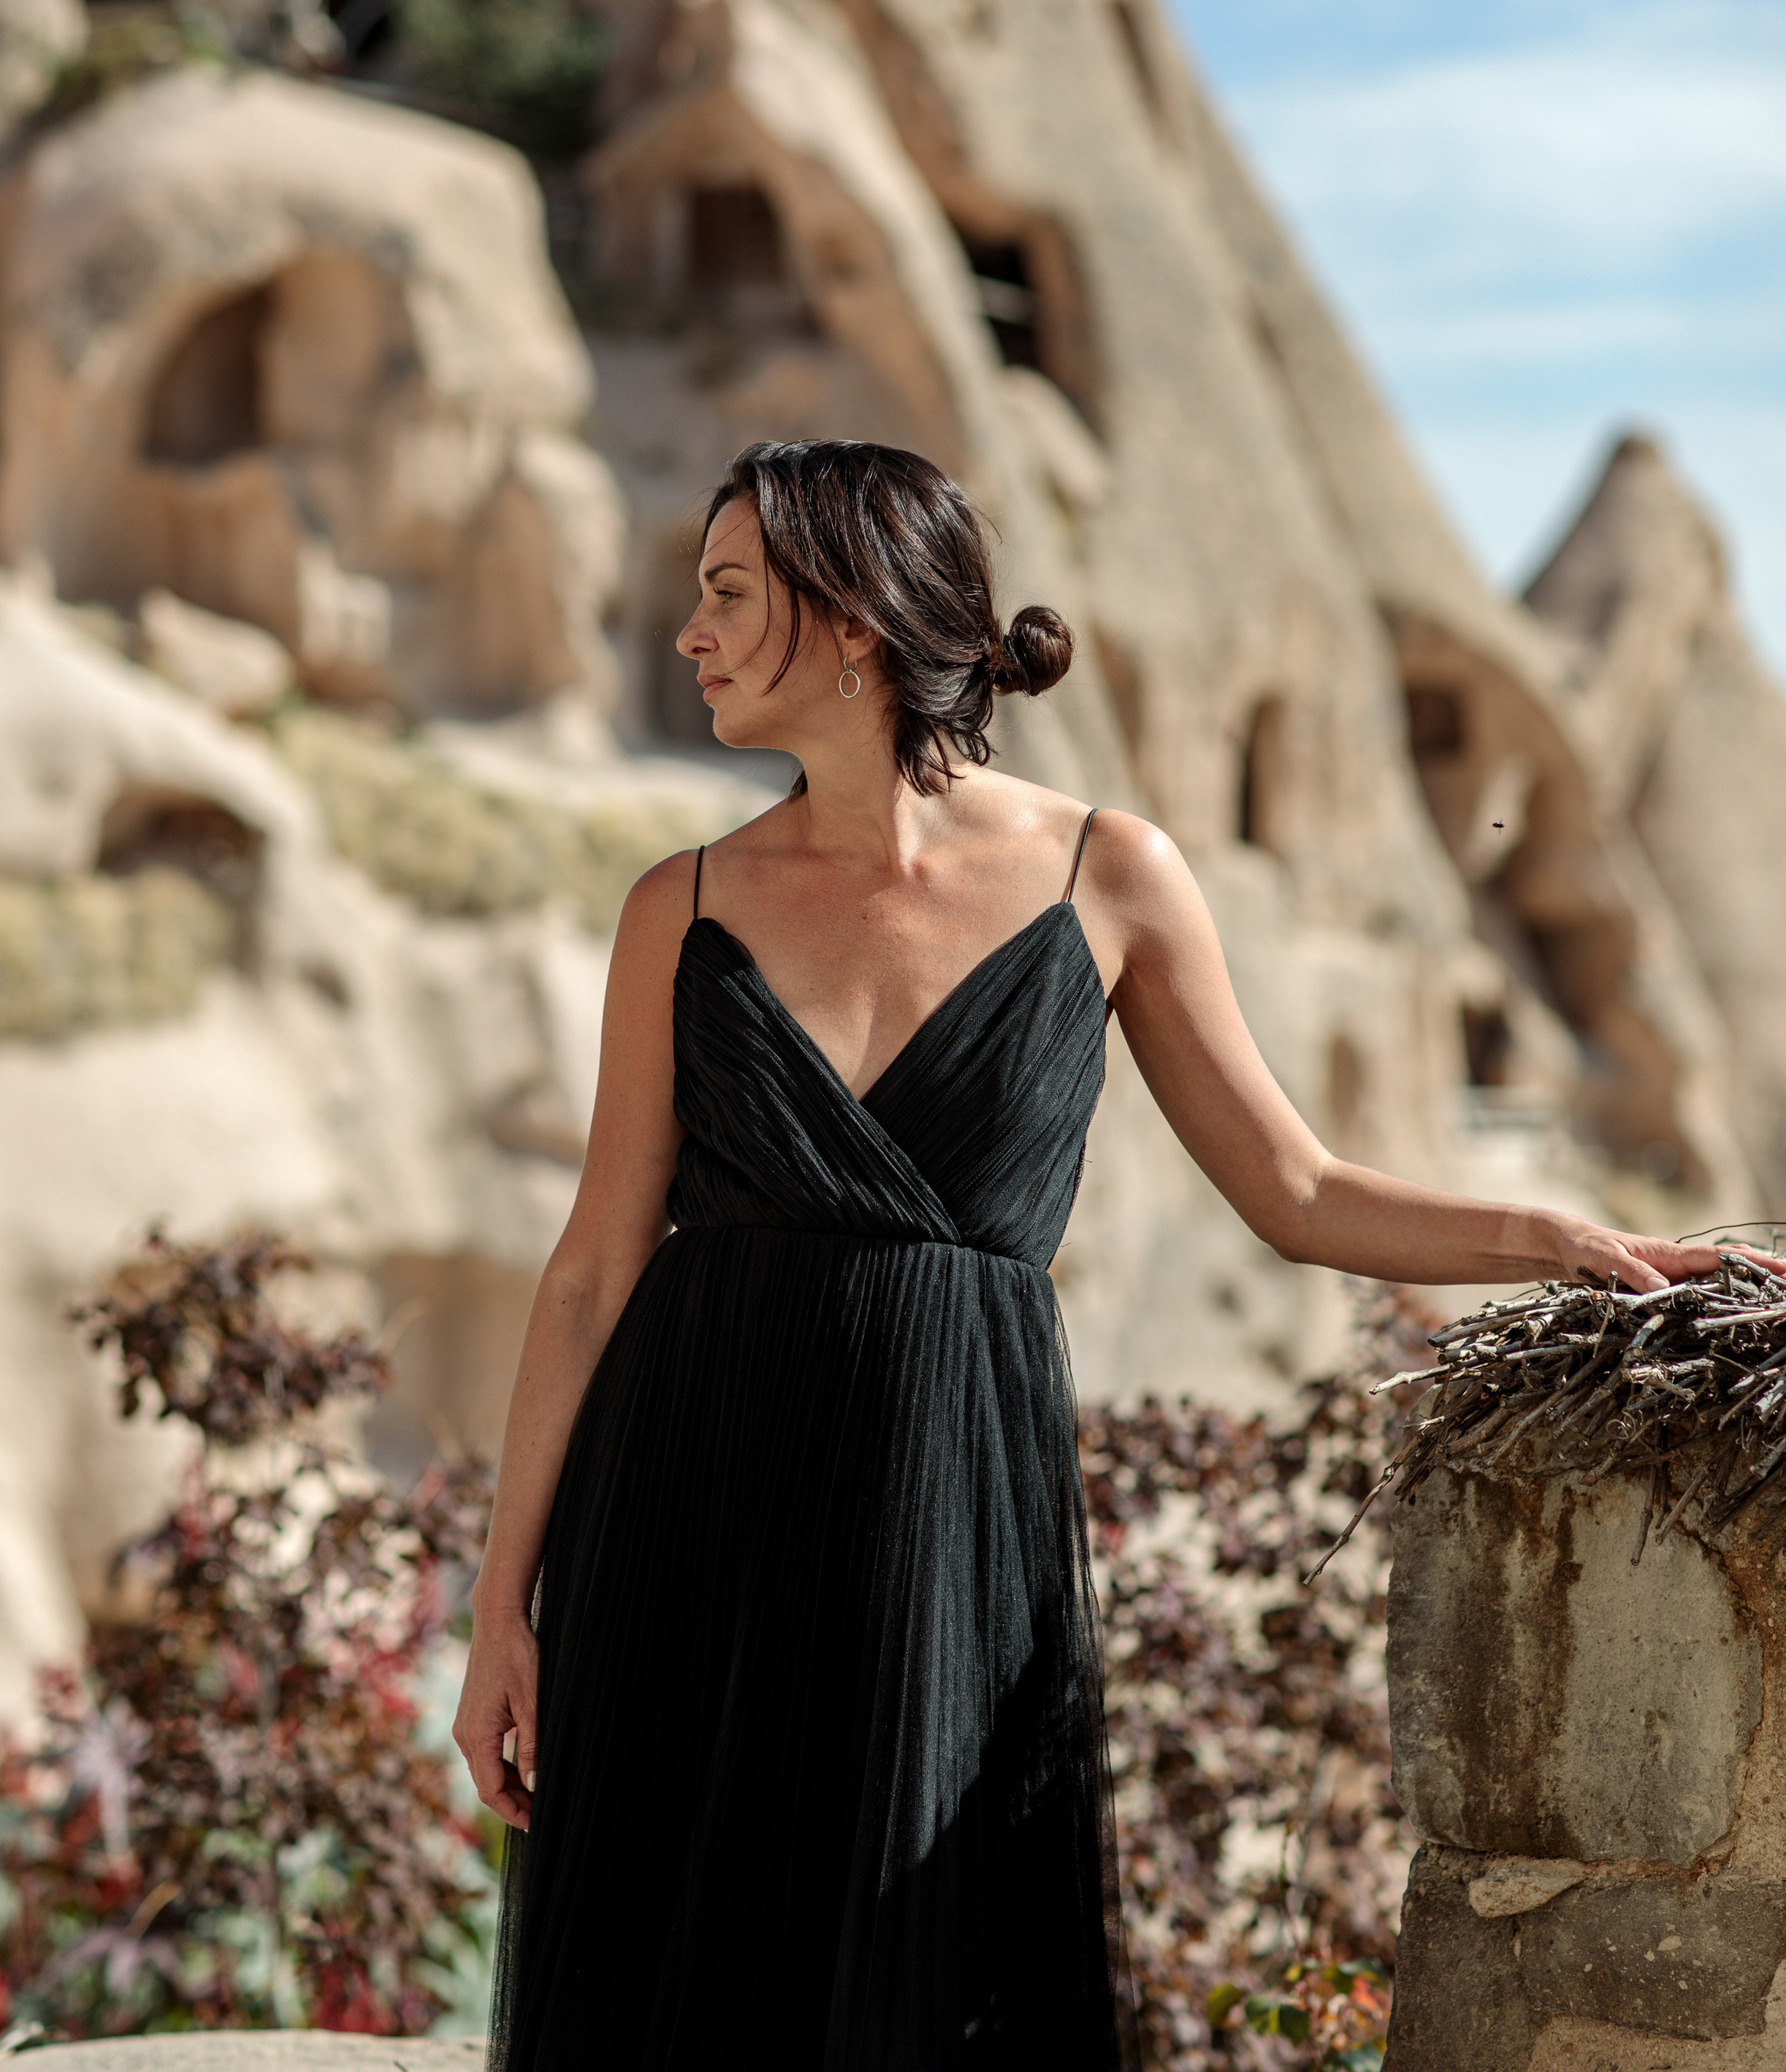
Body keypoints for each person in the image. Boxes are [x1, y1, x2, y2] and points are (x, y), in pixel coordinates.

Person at [456, 436, 1741, 2071]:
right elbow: (587, 1276)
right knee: (671, 1986)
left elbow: (1296, 1186)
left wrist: (1559, 1238)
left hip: (943, 1510)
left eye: (725, 595)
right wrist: (506, 1611)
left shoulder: (1103, 875)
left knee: (920, 1978)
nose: (690, 635)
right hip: (681, 1507)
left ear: (849, 619)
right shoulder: (682, 905)